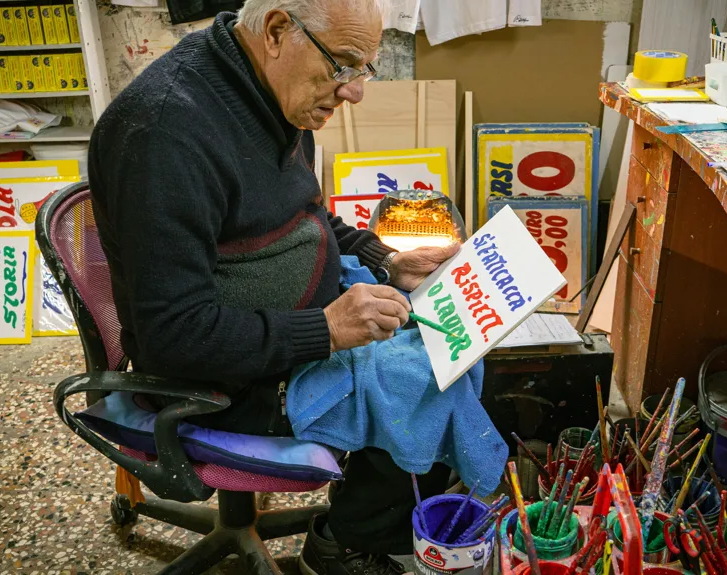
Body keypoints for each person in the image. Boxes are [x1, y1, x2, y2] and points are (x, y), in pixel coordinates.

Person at [87, 1, 465, 573]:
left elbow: (305, 214)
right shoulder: (164, 136)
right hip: (216, 381)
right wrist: (328, 330)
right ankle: (345, 542)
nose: (354, 92)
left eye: (364, 68)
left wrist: (384, 259)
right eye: (342, 65)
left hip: (280, 329)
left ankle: (378, 508)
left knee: (450, 340)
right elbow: (173, 336)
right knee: (424, 380)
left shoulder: (270, 91)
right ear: (277, 30)